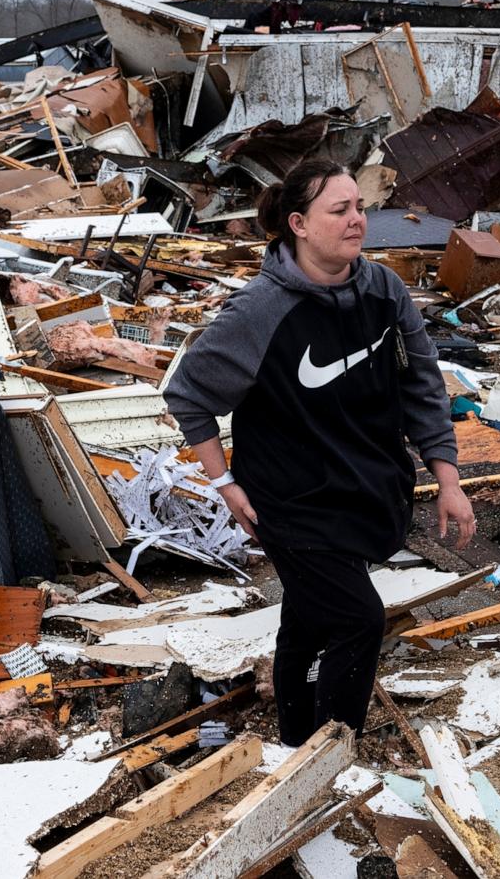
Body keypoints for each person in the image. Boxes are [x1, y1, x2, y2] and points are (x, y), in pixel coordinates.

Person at [162, 159, 476, 746]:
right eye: (341, 210)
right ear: (299, 224)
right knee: (358, 620)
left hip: (362, 490)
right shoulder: (259, 311)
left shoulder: (384, 289)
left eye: (360, 207)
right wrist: (224, 483)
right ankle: (331, 757)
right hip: (290, 501)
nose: (358, 220)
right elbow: (188, 395)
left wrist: (448, 478)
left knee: (306, 620)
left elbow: (423, 385)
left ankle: (293, 743)